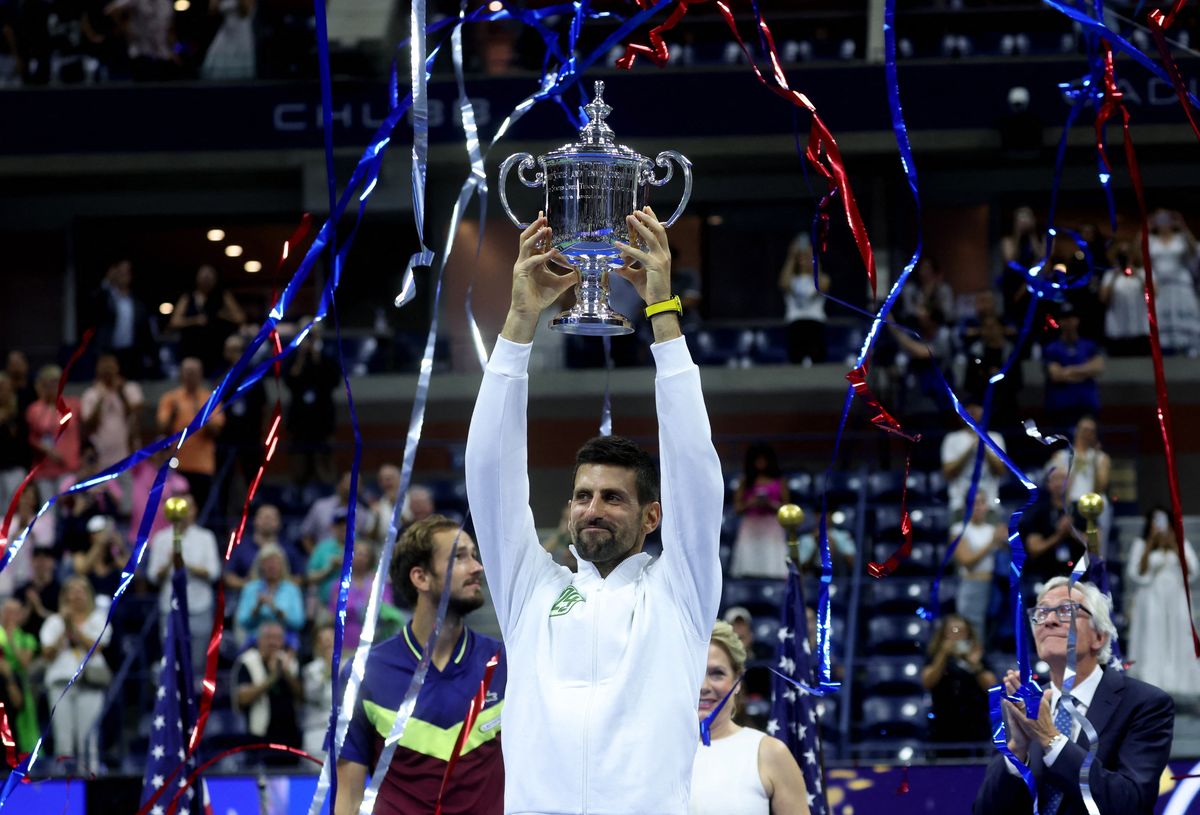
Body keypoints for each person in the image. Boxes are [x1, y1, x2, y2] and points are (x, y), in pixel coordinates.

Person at [464, 208, 724, 813]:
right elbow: (488, 474)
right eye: (583, 496)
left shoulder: (680, 591)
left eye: (613, 497)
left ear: (652, 517)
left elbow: (694, 469)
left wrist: (662, 317)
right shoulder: (531, 589)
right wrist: (520, 319)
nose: (592, 509)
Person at [336, 515, 506, 815]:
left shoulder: (504, 663)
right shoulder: (363, 674)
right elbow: (348, 799)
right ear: (421, 578)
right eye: (459, 556)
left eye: (475, 556)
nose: (477, 567)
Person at [973, 579, 1174, 815]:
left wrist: (1051, 738)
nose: (1049, 620)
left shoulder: (1145, 704)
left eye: (1066, 610)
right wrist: (1016, 750)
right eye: (1041, 612)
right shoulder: (1021, 707)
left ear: (1099, 636)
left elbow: (1129, 804)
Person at [689, 621, 809, 815]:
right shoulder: (657, 752)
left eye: (717, 674)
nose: (704, 686)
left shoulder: (769, 752)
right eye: (695, 672)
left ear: (738, 681)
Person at [1125, 507, 1200, 700]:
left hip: (1176, 598)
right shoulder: (1141, 544)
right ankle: (1152, 681)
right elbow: (1136, 573)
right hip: (1151, 599)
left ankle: (1178, 681)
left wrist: (1174, 545)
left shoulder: (1180, 542)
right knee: (1153, 635)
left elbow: (1192, 571)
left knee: (1177, 635)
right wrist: (1151, 543)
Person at [40, 576, 112, 770]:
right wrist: (64, 629)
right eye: (72, 590)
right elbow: (47, 653)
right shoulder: (54, 621)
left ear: (89, 595)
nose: (77, 594)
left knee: (88, 740)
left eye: (82, 590)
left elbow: (96, 647)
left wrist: (73, 628)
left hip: (90, 684)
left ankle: (91, 785)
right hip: (60, 684)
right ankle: (64, 787)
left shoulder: (98, 619)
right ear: (65, 596)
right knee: (63, 741)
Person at [146, 495, 220, 675]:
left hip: (199, 607)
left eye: (188, 508)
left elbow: (214, 572)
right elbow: (152, 577)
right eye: (180, 508)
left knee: (197, 662)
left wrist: (184, 563)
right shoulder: (161, 538)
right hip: (170, 608)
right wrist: (170, 562)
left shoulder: (206, 537)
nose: (184, 513)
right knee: (171, 661)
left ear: (195, 511)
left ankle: (193, 700)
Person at [156, 357, 225, 515]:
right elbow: (162, 429)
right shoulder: (170, 398)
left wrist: (199, 411)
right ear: (181, 374)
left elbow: (217, 431)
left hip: (203, 466)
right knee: (175, 513)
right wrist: (174, 414)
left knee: (200, 512)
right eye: (187, 372)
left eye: (194, 372)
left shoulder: (210, 398)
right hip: (176, 466)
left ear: (201, 374)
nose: (190, 376)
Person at [921, 614, 995, 752]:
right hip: (943, 725)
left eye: (961, 631)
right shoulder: (935, 655)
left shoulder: (978, 655)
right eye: (953, 631)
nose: (957, 635)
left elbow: (992, 687)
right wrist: (942, 655)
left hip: (975, 724)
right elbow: (927, 682)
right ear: (943, 634)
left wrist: (975, 665)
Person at [232, 620, 302, 765]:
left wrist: (286, 673)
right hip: (259, 738)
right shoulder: (247, 661)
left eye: (277, 638)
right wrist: (272, 678)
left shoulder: (291, 662)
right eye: (268, 637)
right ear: (259, 640)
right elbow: (242, 698)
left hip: (290, 737)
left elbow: (301, 696)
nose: (273, 643)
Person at [285, 326, 340, 487]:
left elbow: (333, 381)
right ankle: (299, 496)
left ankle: (327, 493)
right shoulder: (294, 359)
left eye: (312, 335)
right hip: (299, 423)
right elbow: (289, 381)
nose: (309, 339)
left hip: (323, 422)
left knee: (324, 465)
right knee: (299, 465)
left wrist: (316, 355)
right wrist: (301, 356)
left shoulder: (327, 357)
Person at [169, 265, 246, 377]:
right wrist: (195, 320)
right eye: (204, 277)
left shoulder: (223, 296)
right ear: (197, 278)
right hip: (192, 346)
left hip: (217, 346)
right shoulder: (188, 297)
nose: (206, 280)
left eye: (210, 277)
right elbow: (174, 322)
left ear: (215, 279)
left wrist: (223, 315)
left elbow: (240, 317)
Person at [1017, 469, 1083, 598]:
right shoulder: (1037, 513)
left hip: (1079, 577)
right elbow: (1034, 549)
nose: (1059, 483)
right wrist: (1058, 535)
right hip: (1045, 577)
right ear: (1048, 484)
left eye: (1063, 478)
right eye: (1055, 479)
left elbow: (1095, 546)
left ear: (1071, 481)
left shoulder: (1082, 510)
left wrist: (1073, 532)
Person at [949, 490, 1005, 643]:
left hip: (993, 585)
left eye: (981, 503)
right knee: (973, 630)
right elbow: (967, 561)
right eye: (973, 504)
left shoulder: (992, 530)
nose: (978, 507)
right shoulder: (959, 530)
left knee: (992, 630)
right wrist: (992, 543)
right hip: (972, 585)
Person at [1143, 209, 1199, 355]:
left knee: (1184, 313)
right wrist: (1146, 227)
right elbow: (1138, 253)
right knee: (1161, 316)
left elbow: (1193, 251)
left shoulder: (1181, 238)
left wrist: (1184, 227)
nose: (1163, 223)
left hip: (1180, 284)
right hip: (1160, 285)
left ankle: (1190, 348)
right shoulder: (1151, 240)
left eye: (1166, 219)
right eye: (1159, 220)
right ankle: (1165, 349)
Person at [730, 442, 790, 579]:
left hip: (772, 526)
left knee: (773, 562)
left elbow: (787, 509)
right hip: (751, 526)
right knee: (749, 564)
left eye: (763, 459)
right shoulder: (744, 482)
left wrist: (770, 504)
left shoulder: (780, 481)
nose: (760, 463)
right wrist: (751, 503)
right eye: (757, 460)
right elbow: (737, 508)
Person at [1042, 304, 1104, 431]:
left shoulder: (1089, 345)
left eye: (1071, 318)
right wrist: (1085, 371)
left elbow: (1098, 368)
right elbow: (1056, 375)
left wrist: (1068, 371)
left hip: (1087, 406)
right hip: (1061, 409)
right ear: (1060, 321)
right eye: (1065, 318)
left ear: (1077, 320)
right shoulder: (1051, 348)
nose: (1068, 322)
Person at [91, 258, 155, 379]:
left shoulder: (136, 300)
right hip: (109, 352)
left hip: (132, 353)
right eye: (120, 272)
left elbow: (145, 329)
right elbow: (94, 304)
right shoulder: (106, 297)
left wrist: (150, 354)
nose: (123, 276)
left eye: (127, 272)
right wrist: (107, 282)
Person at [940, 402, 1007, 519]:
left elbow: (1001, 471)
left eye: (977, 407)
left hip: (989, 505)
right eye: (968, 408)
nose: (973, 411)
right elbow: (947, 473)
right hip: (959, 505)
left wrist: (983, 446)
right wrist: (970, 449)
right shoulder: (951, 439)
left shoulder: (995, 437)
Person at [79, 353, 143, 473]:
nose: (108, 373)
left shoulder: (130, 388)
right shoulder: (91, 394)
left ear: (117, 368)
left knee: (128, 490)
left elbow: (136, 413)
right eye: (105, 370)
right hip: (100, 456)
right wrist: (101, 399)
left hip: (126, 453)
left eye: (110, 368)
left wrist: (121, 394)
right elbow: (88, 424)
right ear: (98, 372)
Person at [26, 364, 81, 497]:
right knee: (47, 510)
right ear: (42, 385)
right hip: (44, 469)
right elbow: (31, 438)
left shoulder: (74, 404)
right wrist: (46, 449)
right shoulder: (34, 409)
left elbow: (84, 432)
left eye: (57, 382)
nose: (53, 386)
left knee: (67, 510)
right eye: (49, 383)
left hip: (68, 466)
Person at [234, 543, 305, 645]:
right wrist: (257, 608)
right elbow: (242, 621)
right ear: (260, 565)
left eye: (275, 562)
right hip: (255, 641)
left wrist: (275, 609)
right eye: (267, 562)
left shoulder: (292, 589)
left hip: (286, 642)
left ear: (282, 565)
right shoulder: (250, 588)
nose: (271, 566)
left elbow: (298, 622)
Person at [226, 503, 306, 591]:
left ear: (279, 523)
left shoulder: (289, 548)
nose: (267, 521)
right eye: (263, 517)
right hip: (247, 595)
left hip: (281, 598)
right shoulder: (242, 547)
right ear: (255, 521)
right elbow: (228, 575)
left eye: (271, 518)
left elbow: (300, 577)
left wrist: (280, 588)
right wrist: (248, 586)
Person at [778, 232, 828, 365]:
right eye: (801, 257)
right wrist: (791, 256)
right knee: (795, 360)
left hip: (815, 323)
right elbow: (783, 283)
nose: (804, 260)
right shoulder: (792, 279)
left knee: (818, 359)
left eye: (807, 257)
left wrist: (814, 256)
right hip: (795, 323)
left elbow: (823, 285)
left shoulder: (819, 278)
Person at [1098, 241, 1150, 357]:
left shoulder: (1142, 273)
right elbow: (1103, 299)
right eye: (1122, 255)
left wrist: (1139, 277)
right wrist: (1114, 277)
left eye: (1128, 254)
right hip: (1117, 330)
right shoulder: (1110, 275)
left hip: (1140, 329)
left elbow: (1152, 295)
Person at [0, 597, 37, 753]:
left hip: (18, 684)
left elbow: (24, 663)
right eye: (7, 612)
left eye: (14, 612)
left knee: (16, 726)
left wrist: (11, 640)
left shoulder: (27, 638)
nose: (10, 616)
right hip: (4, 682)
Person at [301, 622, 335, 758]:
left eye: (331, 639)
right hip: (317, 730)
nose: (328, 644)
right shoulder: (310, 669)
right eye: (323, 640)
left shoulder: (350, 667)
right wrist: (328, 668)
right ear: (317, 645)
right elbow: (313, 695)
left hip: (343, 732)